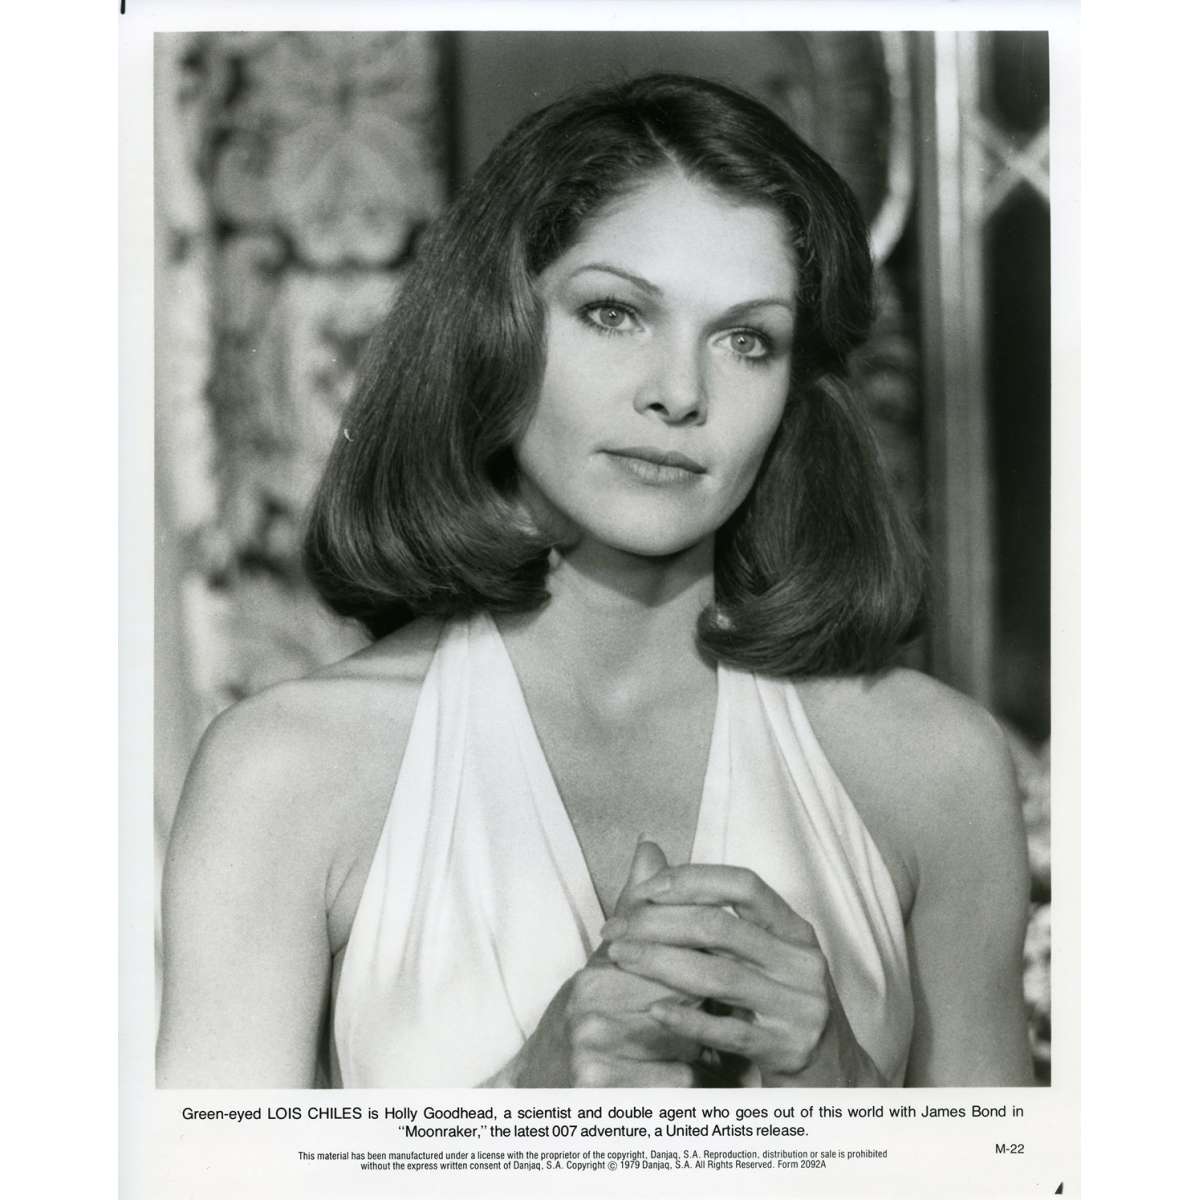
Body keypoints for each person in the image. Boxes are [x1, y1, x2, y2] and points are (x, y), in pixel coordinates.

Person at [157, 74, 1033, 1088]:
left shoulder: (937, 770)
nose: (680, 392)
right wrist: (530, 1100)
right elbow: (213, 1173)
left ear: (796, 394)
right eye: (615, 313)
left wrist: (835, 1078)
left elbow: (1008, 1167)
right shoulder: (286, 772)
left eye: (747, 340)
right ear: (495, 331)